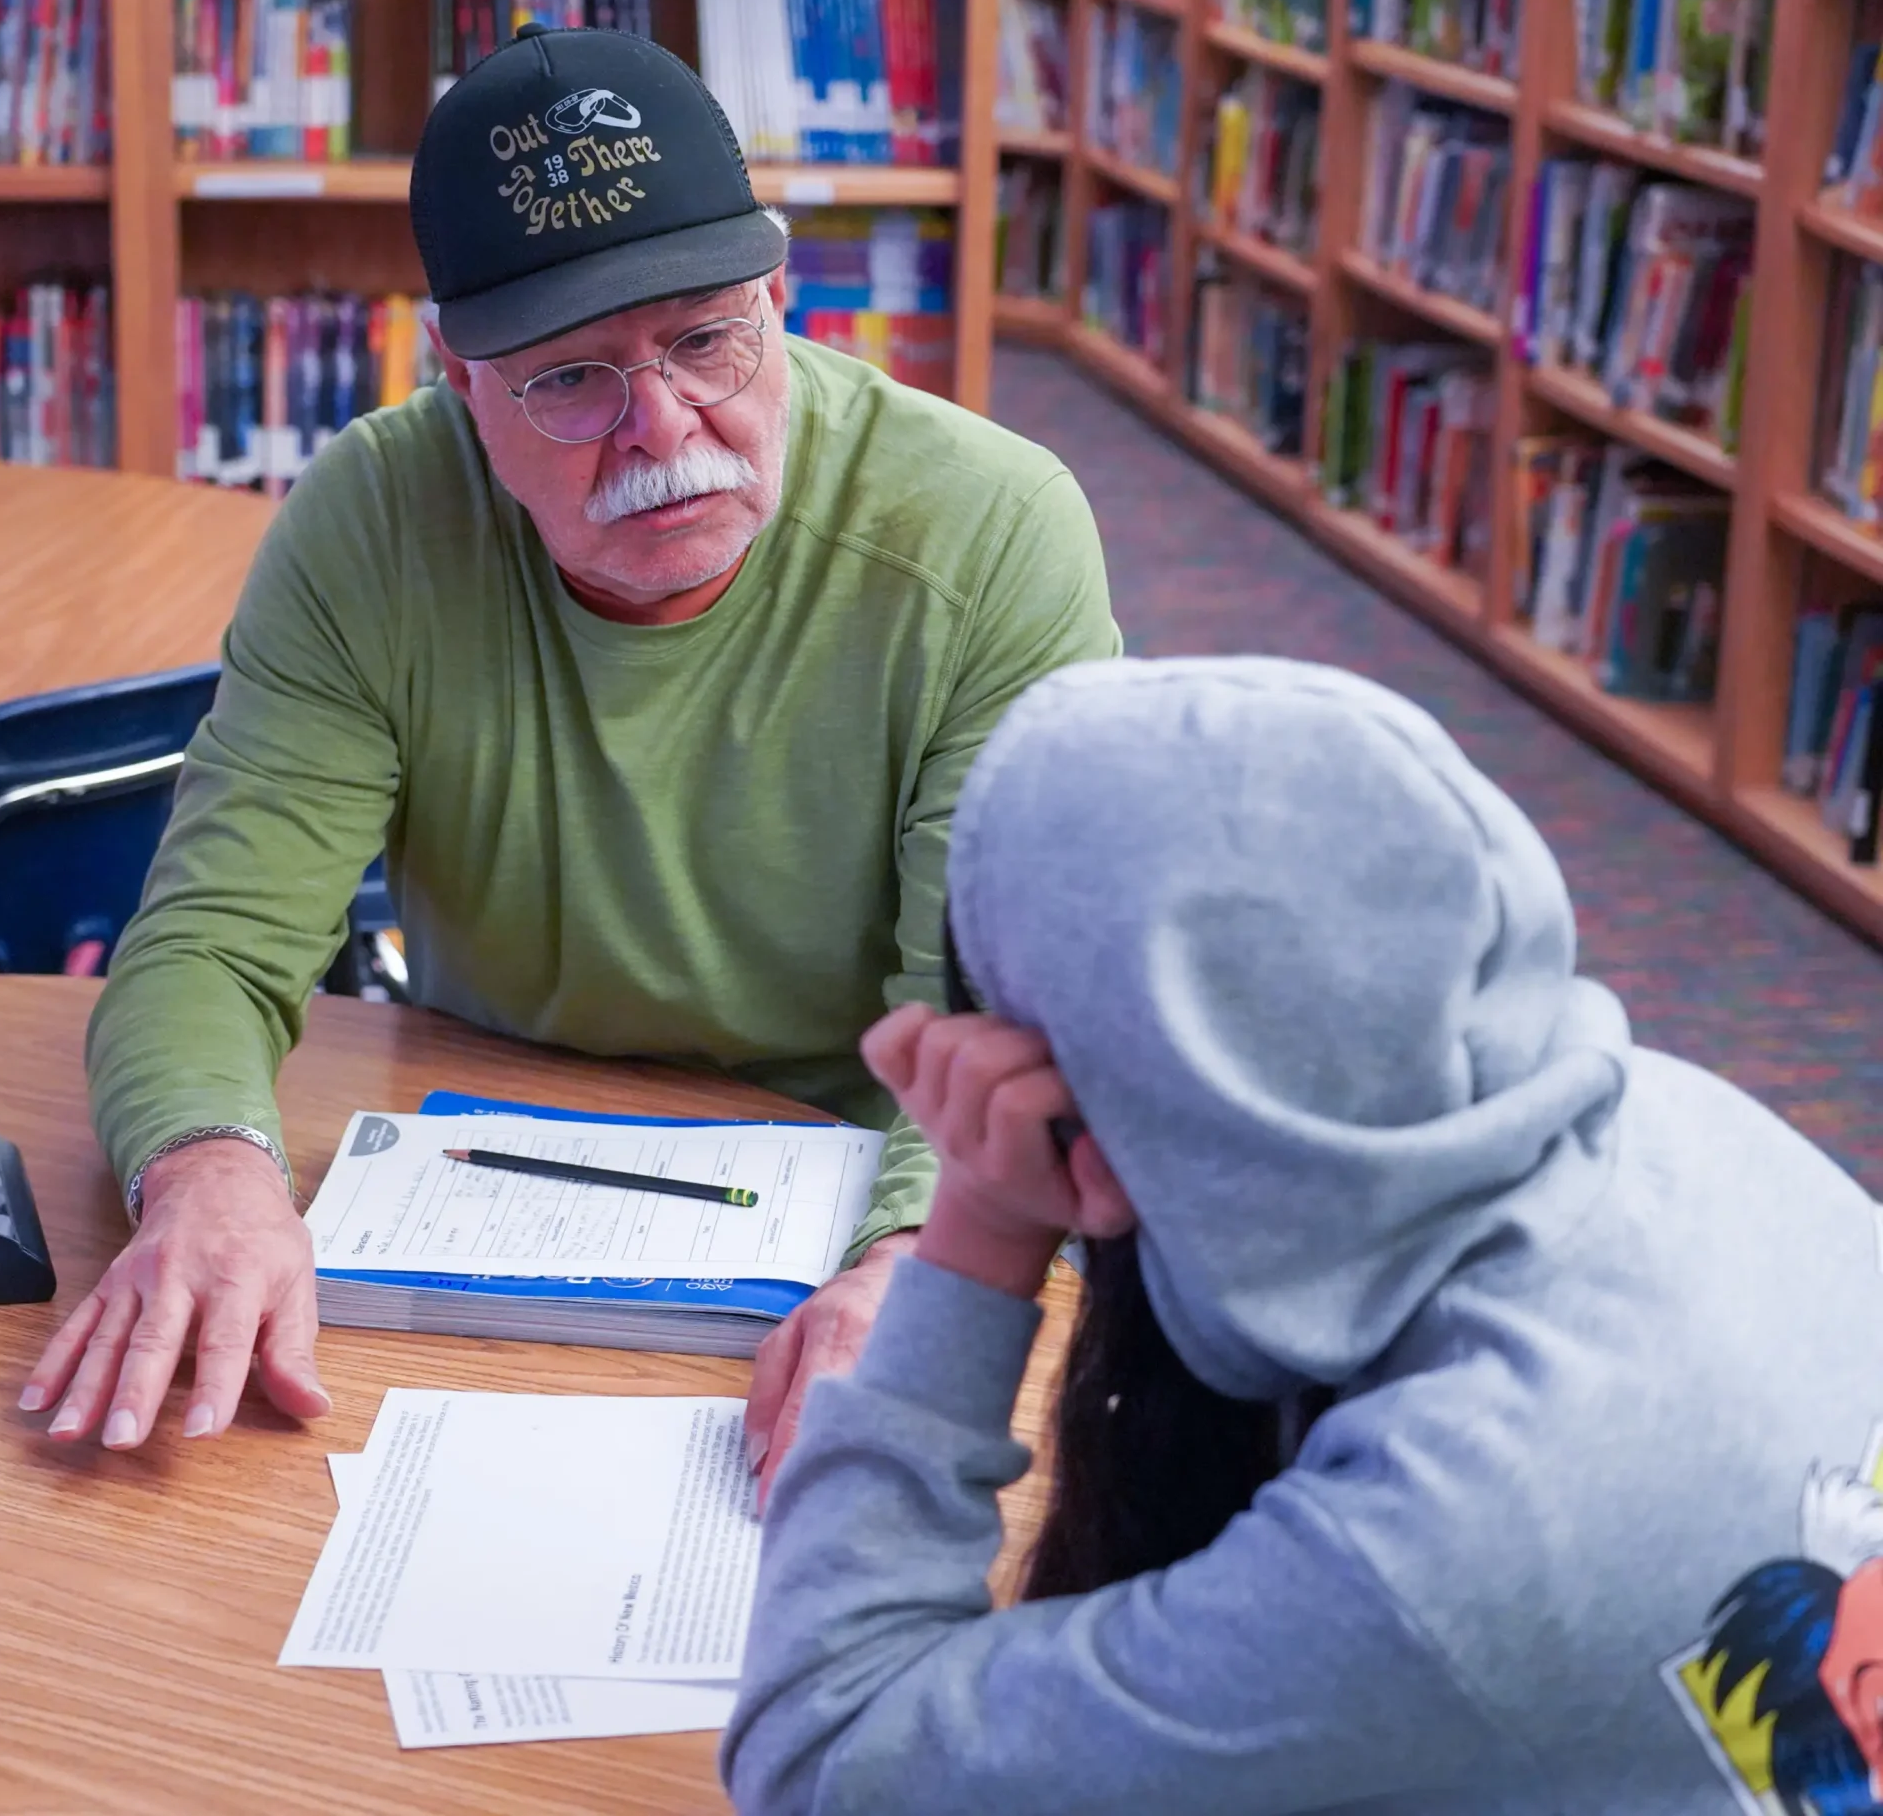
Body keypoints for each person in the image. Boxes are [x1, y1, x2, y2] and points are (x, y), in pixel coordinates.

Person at [17, 24, 1118, 1456]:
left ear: (779, 299)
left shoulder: (990, 530)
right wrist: (210, 1170)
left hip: (858, 1192)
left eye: (707, 339)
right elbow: (211, 946)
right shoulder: (371, 523)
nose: (664, 426)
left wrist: (919, 1272)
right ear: (461, 386)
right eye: (572, 381)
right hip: (482, 1186)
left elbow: (993, 1018)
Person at [722, 656, 1883, 1816]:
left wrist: (981, 1217)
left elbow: (823, 1753)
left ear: (1081, 1114)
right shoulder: (1689, 1115)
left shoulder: (1430, 1545)